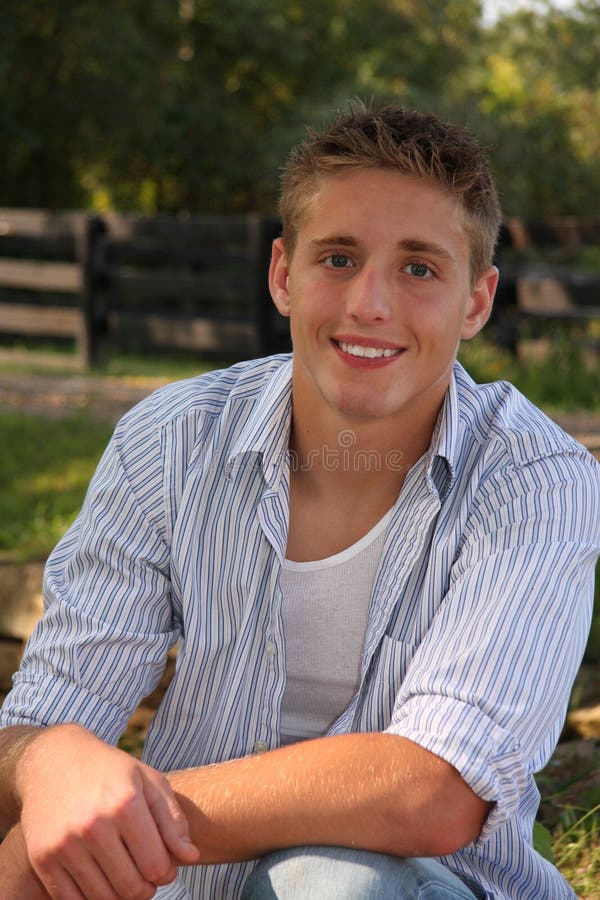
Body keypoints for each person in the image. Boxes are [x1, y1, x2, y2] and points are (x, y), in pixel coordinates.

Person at [0, 103, 598, 900]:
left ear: (478, 301)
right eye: (339, 258)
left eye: (419, 268)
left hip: (435, 887)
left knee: (330, 880)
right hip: (188, 886)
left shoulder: (536, 479)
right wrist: (49, 764)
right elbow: (44, 713)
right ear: (284, 274)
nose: (369, 305)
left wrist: (121, 822)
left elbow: (433, 791)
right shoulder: (170, 442)